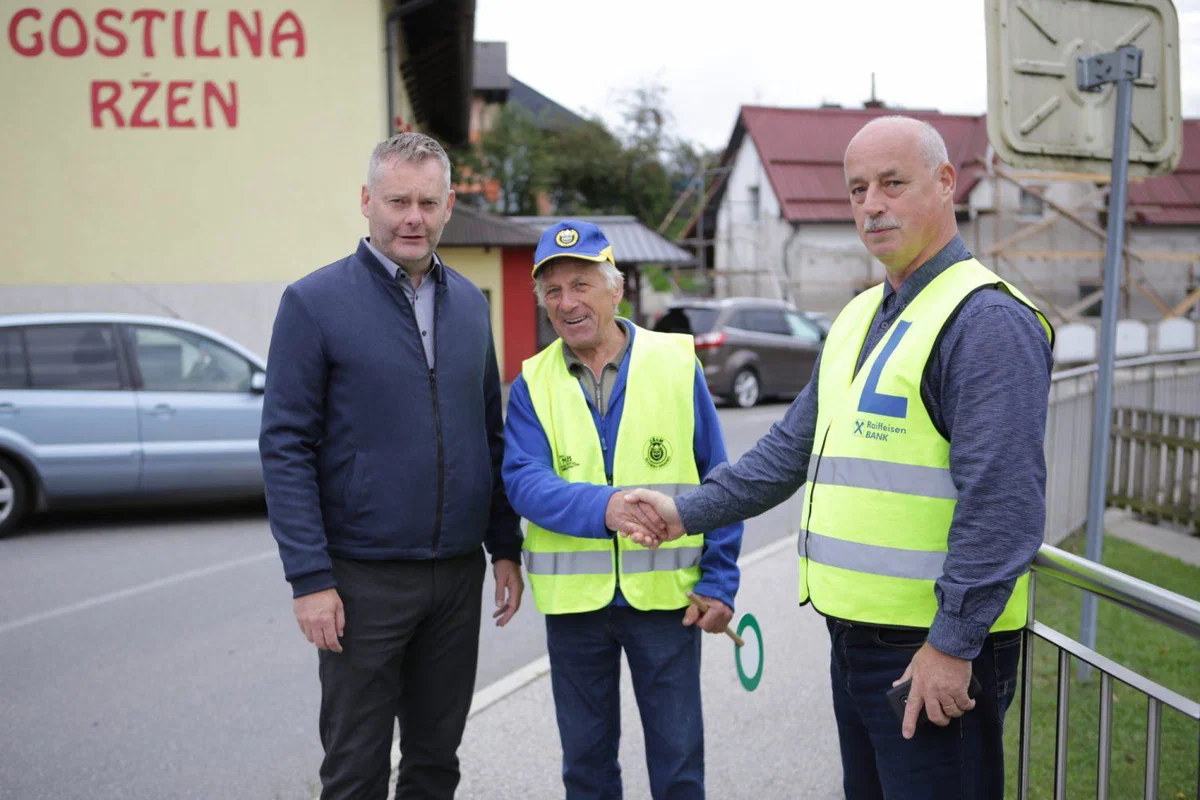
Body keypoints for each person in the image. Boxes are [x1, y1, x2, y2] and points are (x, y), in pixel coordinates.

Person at [626, 116, 1054, 799]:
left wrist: (952, 643)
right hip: (857, 639)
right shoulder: (860, 315)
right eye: (857, 190)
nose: (872, 205)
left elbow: (1003, 505)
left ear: (946, 184)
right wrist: (686, 510)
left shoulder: (985, 321)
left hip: (932, 649)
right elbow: (786, 452)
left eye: (892, 183)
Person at [258, 132, 524, 800]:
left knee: (437, 762)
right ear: (367, 202)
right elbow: (284, 447)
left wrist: (504, 546)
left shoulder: (470, 305)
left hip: (455, 579)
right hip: (360, 582)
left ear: (448, 205)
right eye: (398, 200)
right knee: (356, 768)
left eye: (428, 202)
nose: (413, 217)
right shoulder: (313, 303)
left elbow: (486, 432)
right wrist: (310, 577)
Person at [502, 220, 744, 799]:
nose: (568, 303)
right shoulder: (531, 383)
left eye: (582, 284)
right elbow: (524, 481)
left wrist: (720, 581)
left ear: (616, 289)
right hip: (576, 610)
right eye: (553, 290)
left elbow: (721, 482)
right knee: (586, 768)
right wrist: (604, 507)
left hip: (669, 602)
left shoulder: (675, 362)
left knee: (679, 764)